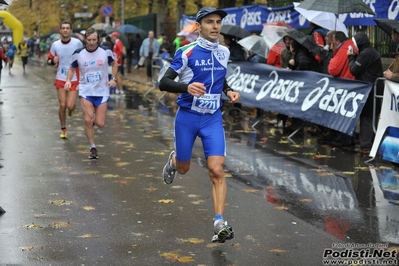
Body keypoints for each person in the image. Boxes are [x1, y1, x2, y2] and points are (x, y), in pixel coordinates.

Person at [159, 7, 240, 244]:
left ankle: (219, 222)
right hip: (188, 117)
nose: (215, 26)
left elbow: (220, 75)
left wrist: (228, 90)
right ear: (199, 26)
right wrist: (187, 87)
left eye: (218, 22)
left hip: (212, 118)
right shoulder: (186, 51)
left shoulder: (224, 51)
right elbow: (163, 82)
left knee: (216, 169)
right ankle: (175, 161)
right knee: (184, 168)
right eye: (209, 22)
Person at [64, 27, 118, 159]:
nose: (92, 42)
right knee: (88, 120)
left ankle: (91, 125)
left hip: (102, 91)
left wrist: (113, 79)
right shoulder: (78, 53)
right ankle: (92, 147)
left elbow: (115, 64)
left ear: (98, 39)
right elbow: (71, 68)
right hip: (86, 90)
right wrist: (68, 80)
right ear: (85, 40)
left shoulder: (106, 51)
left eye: (94, 39)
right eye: (89, 40)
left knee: (100, 123)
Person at [348, 31, 383, 153]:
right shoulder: (369, 52)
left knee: (367, 117)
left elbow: (354, 70)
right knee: (370, 116)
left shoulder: (366, 53)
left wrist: (351, 57)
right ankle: (369, 144)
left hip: (370, 89)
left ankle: (366, 146)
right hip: (372, 88)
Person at [47, 21, 83, 139]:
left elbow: (84, 56)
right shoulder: (55, 45)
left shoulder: (77, 43)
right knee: (62, 105)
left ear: (71, 30)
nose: (65, 30)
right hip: (61, 78)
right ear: (60, 31)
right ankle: (63, 129)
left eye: (68, 28)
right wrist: (53, 61)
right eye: (63, 28)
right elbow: (49, 60)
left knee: (70, 106)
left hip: (74, 78)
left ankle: (71, 109)